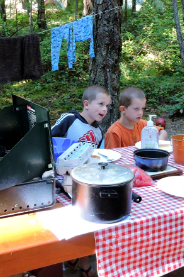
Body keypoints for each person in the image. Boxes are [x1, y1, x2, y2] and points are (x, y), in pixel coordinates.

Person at [50, 85, 111, 277]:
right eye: (100, 104)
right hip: (60, 178)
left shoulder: (99, 131)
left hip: (83, 180)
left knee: (90, 216)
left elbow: (94, 156)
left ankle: (82, 260)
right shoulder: (70, 119)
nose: (104, 109)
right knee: (72, 219)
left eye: (107, 106)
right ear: (86, 104)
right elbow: (46, 138)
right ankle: (71, 255)